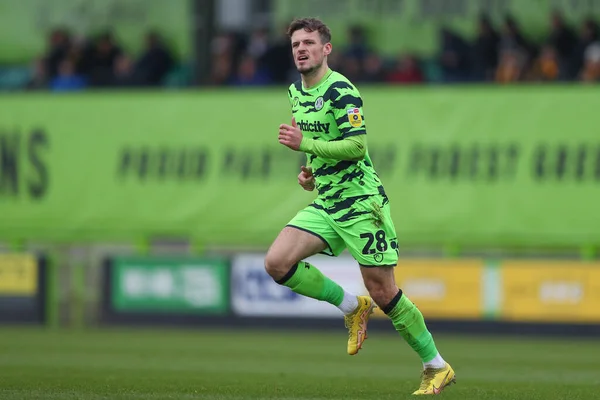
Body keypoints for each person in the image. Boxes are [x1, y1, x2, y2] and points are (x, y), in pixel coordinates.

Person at [264, 17, 456, 396]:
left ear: (325, 49)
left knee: (385, 291)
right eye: (295, 44)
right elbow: (322, 146)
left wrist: (305, 145)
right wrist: (310, 175)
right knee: (277, 262)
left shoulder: (342, 91)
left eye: (308, 43)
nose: (301, 49)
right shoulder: (296, 93)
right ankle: (352, 306)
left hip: (361, 203)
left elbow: (356, 147)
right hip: (328, 201)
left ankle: (437, 366)